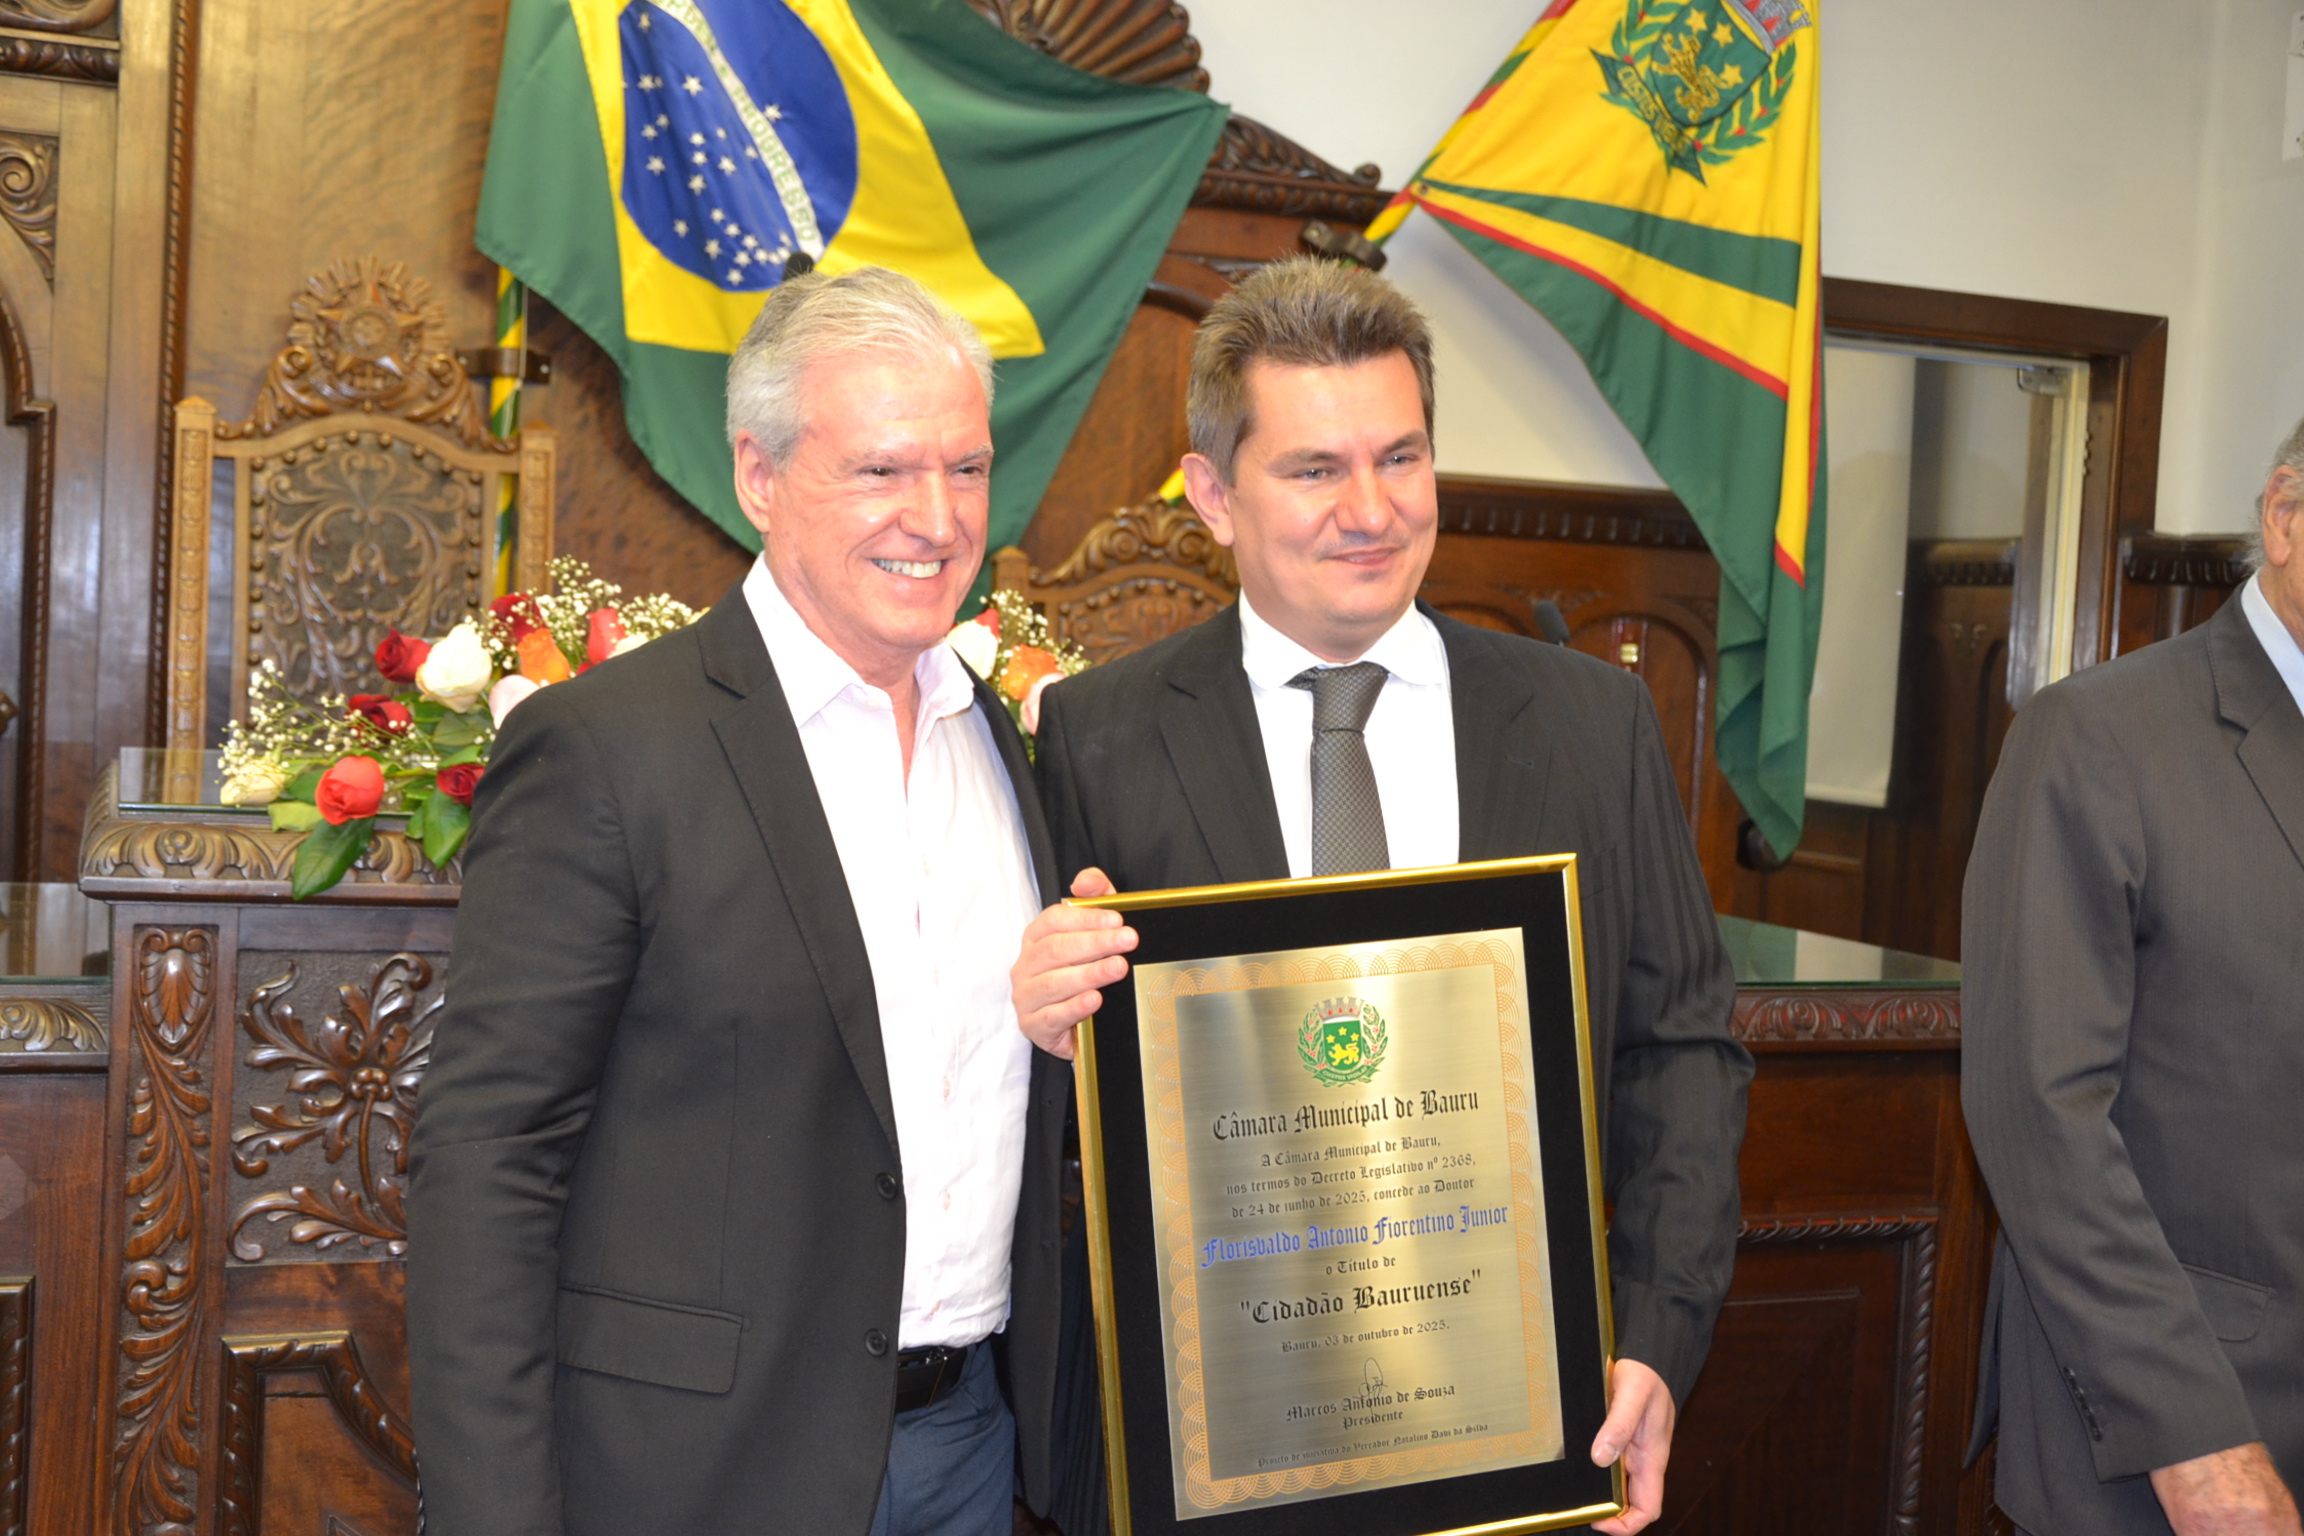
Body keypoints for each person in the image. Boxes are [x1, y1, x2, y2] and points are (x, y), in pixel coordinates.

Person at [1011, 257, 1751, 1536]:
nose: (1371, 509)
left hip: (1518, 1427)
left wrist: (1656, 1338)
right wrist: (1037, 1017)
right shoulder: (1098, 734)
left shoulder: (1594, 724)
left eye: (1400, 458)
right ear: (1213, 496)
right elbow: (1052, 1121)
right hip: (1215, 1451)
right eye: (1315, 469)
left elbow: (1680, 1052)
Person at [406, 267, 1073, 1536]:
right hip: (700, 1471)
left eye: (967, 468)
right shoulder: (605, 746)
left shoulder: (997, 737)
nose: (938, 518)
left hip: (971, 1449)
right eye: (882, 470)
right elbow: (489, 1160)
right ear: (759, 476)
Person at [1962, 422, 2304, 1536]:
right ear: (2285, 517)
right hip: (2177, 1435)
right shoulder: (2098, 736)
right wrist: (2196, 1445)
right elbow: (2040, 1114)